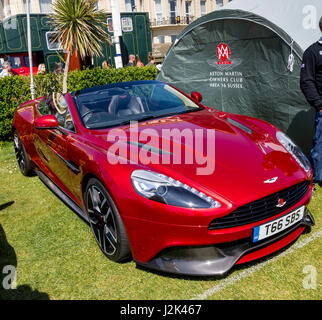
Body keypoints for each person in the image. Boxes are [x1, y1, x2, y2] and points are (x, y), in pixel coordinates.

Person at [300, 17, 322, 186]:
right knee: (319, 148)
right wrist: (319, 106)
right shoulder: (313, 52)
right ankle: (315, 180)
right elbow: (306, 81)